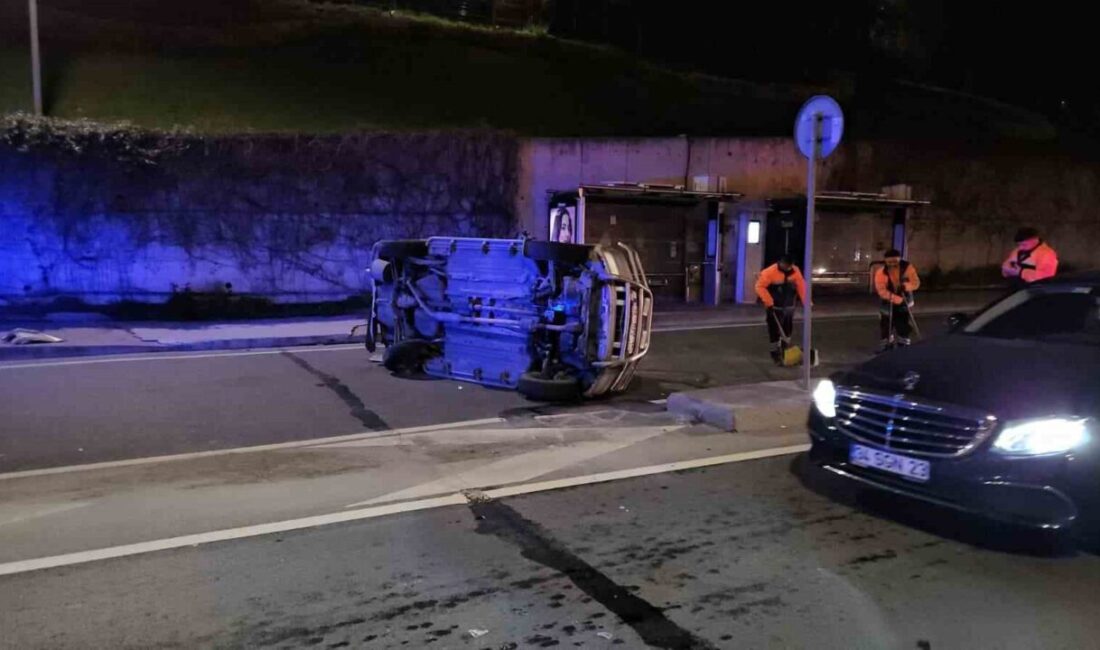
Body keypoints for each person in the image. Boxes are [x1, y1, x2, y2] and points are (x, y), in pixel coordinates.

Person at [755, 255, 807, 365]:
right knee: (774, 330)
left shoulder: (795, 270)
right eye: (787, 266)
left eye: (790, 266)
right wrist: (769, 303)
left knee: (787, 328)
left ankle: (786, 350)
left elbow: (801, 285)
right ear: (781, 263)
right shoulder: (769, 272)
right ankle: (775, 352)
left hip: (789, 306)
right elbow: (759, 287)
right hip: (775, 307)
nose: (789, 268)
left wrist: (807, 302)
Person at [874, 249, 921, 349]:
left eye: (894, 261)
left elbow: (916, 283)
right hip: (888, 300)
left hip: (905, 300)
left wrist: (905, 286)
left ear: (899, 259)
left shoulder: (908, 268)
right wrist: (896, 299)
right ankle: (887, 344)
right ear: (885, 261)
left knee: (903, 324)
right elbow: (881, 290)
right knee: (886, 324)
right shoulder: (881, 272)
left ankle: (903, 345)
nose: (892, 264)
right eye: (889, 262)